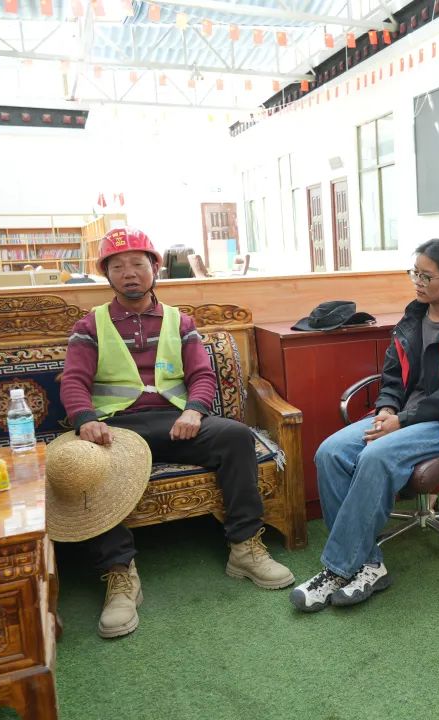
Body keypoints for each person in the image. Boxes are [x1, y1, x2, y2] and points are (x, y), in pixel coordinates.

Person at [61, 227, 294, 639]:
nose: (129, 273)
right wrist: (85, 420)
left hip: (176, 422)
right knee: (86, 463)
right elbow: (74, 381)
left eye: (138, 264)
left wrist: (194, 411)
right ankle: (120, 574)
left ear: (155, 268)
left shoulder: (179, 321)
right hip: (119, 427)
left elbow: (203, 375)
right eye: (118, 266)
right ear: (107, 275)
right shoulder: (90, 325)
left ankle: (244, 548)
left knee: (236, 437)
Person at [290, 238, 439, 612]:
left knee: (375, 456)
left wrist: (400, 421)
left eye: (427, 276)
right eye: (414, 273)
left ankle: (337, 569)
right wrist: (387, 408)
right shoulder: (411, 321)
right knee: (330, 452)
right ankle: (369, 565)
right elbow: (391, 377)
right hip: (402, 417)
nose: (418, 282)